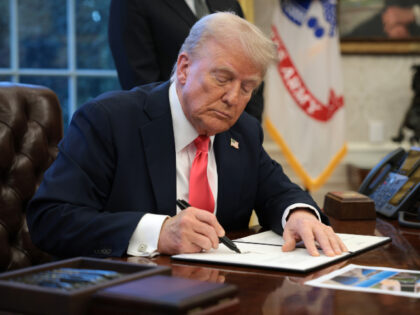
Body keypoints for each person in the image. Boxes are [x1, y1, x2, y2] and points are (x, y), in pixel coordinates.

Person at [27, 12, 347, 259]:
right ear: (183, 68)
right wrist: (157, 232)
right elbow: (50, 220)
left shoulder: (243, 132)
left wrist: (300, 214)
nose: (234, 98)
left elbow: (278, 193)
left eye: (247, 87)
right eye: (223, 78)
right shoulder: (109, 120)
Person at [108, 0, 265, 122]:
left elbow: (250, 64)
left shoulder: (227, 2)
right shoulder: (132, 3)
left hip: (228, 137)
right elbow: (139, 79)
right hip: (166, 133)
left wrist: (246, 133)